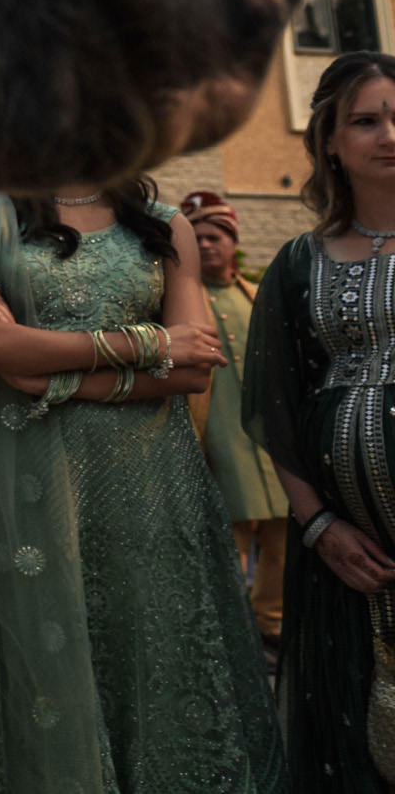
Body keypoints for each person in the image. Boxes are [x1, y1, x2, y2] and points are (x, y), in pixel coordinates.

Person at [0, 177, 284, 789]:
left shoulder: (161, 223)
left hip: (150, 479)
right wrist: (149, 341)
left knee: (151, 657)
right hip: (34, 483)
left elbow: (194, 370)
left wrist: (53, 378)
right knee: (52, 669)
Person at [243, 51, 395, 791]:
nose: (390, 133)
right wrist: (318, 527)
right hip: (344, 559)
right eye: (366, 120)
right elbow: (275, 405)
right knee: (353, 732)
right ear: (330, 141)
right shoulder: (298, 264)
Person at [179, 188, 289, 648]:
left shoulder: (256, 295)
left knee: (285, 543)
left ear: (233, 241)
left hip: (271, 443)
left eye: (215, 236)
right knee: (227, 543)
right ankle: (224, 634)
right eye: (197, 237)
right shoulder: (181, 301)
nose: (206, 245)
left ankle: (273, 625)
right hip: (217, 437)